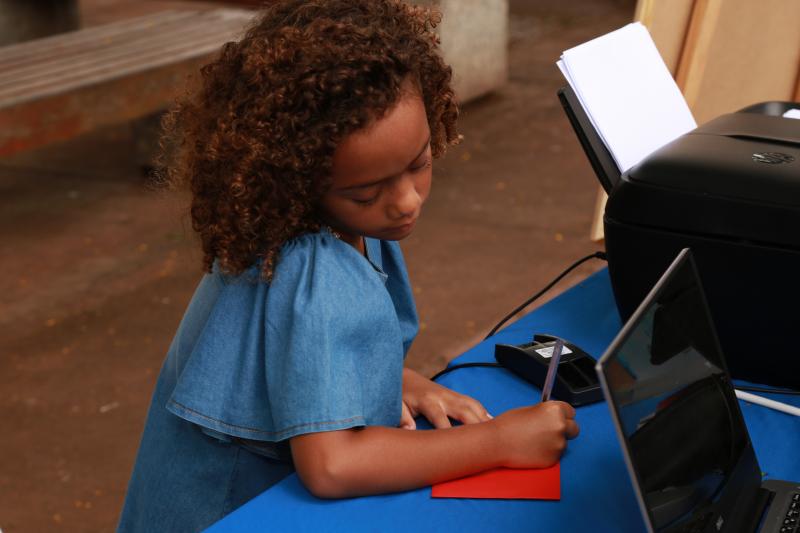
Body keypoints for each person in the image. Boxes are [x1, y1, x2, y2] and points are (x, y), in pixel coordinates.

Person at [118, 1, 579, 530]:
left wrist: (393, 378)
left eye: (419, 163)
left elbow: (283, 353)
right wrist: (496, 442)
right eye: (367, 192)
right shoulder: (314, 271)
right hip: (224, 515)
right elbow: (333, 465)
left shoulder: (307, 224)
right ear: (297, 181)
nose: (406, 201)